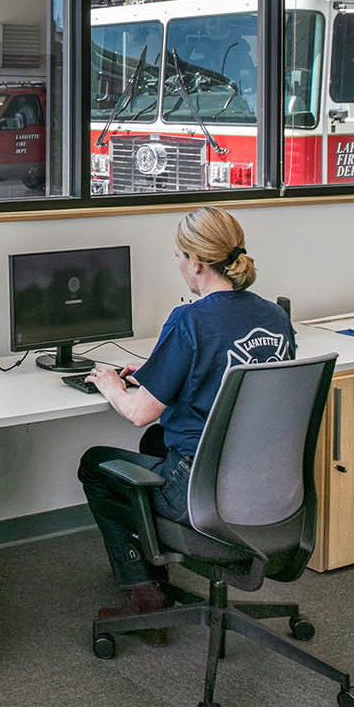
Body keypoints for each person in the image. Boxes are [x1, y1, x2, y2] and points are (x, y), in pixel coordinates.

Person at [76, 205, 294, 644]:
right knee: (156, 440)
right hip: (266, 485)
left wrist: (110, 385)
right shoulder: (276, 317)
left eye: (179, 255)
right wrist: (158, 368)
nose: (178, 264)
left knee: (95, 465)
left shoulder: (190, 319)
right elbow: (231, 380)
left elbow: (139, 410)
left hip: (200, 488)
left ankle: (142, 596)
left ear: (196, 261)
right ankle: (155, 572)